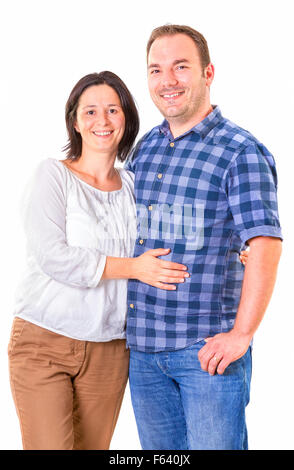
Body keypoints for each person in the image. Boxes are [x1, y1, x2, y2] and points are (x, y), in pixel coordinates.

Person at [7, 71, 192, 450]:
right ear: (75, 121)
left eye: (112, 110)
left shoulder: (133, 187)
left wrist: (237, 245)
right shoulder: (53, 176)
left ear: (126, 118)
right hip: (44, 341)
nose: (102, 121)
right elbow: (54, 257)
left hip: (110, 350)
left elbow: (176, 231)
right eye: (90, 111)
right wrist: (134, 267)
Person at [125, 25, 283, 450]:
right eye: (156, 70)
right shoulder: (145, 149)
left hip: (206, 352)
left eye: (181, 66)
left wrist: (242, 335)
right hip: (142, 353)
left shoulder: (240, 151)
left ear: (208, 73)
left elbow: (265, 245)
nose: (167, 80)